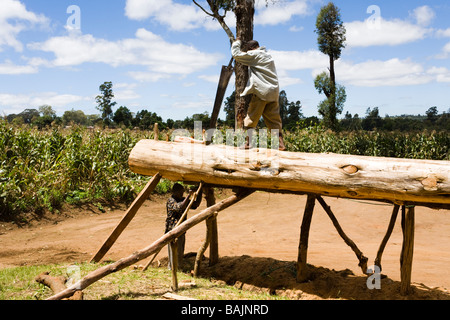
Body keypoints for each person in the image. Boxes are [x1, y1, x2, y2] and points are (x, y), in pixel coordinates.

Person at [231, 38, 286, 151]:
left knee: (251, 117)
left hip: (262, 91)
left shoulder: (254, 54)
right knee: (274, 120)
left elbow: (236, 55)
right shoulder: (267, 55)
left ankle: (249, 143)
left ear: (250, 49)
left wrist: (237, 42)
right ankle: (281, 144)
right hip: (273, 92)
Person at [165, 183, 202, 270]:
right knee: (174, 252)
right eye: (180, 192)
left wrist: (200, 191)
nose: (182, 194)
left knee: (180, 252)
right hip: (173, 230)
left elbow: (195, 204)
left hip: (181, 230)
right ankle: (172, 269)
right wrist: (189, 195)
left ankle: (178, 269)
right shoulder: (171, 200)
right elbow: (180, 207)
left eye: (183, 192)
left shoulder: (182, 199)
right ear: (175, 192)